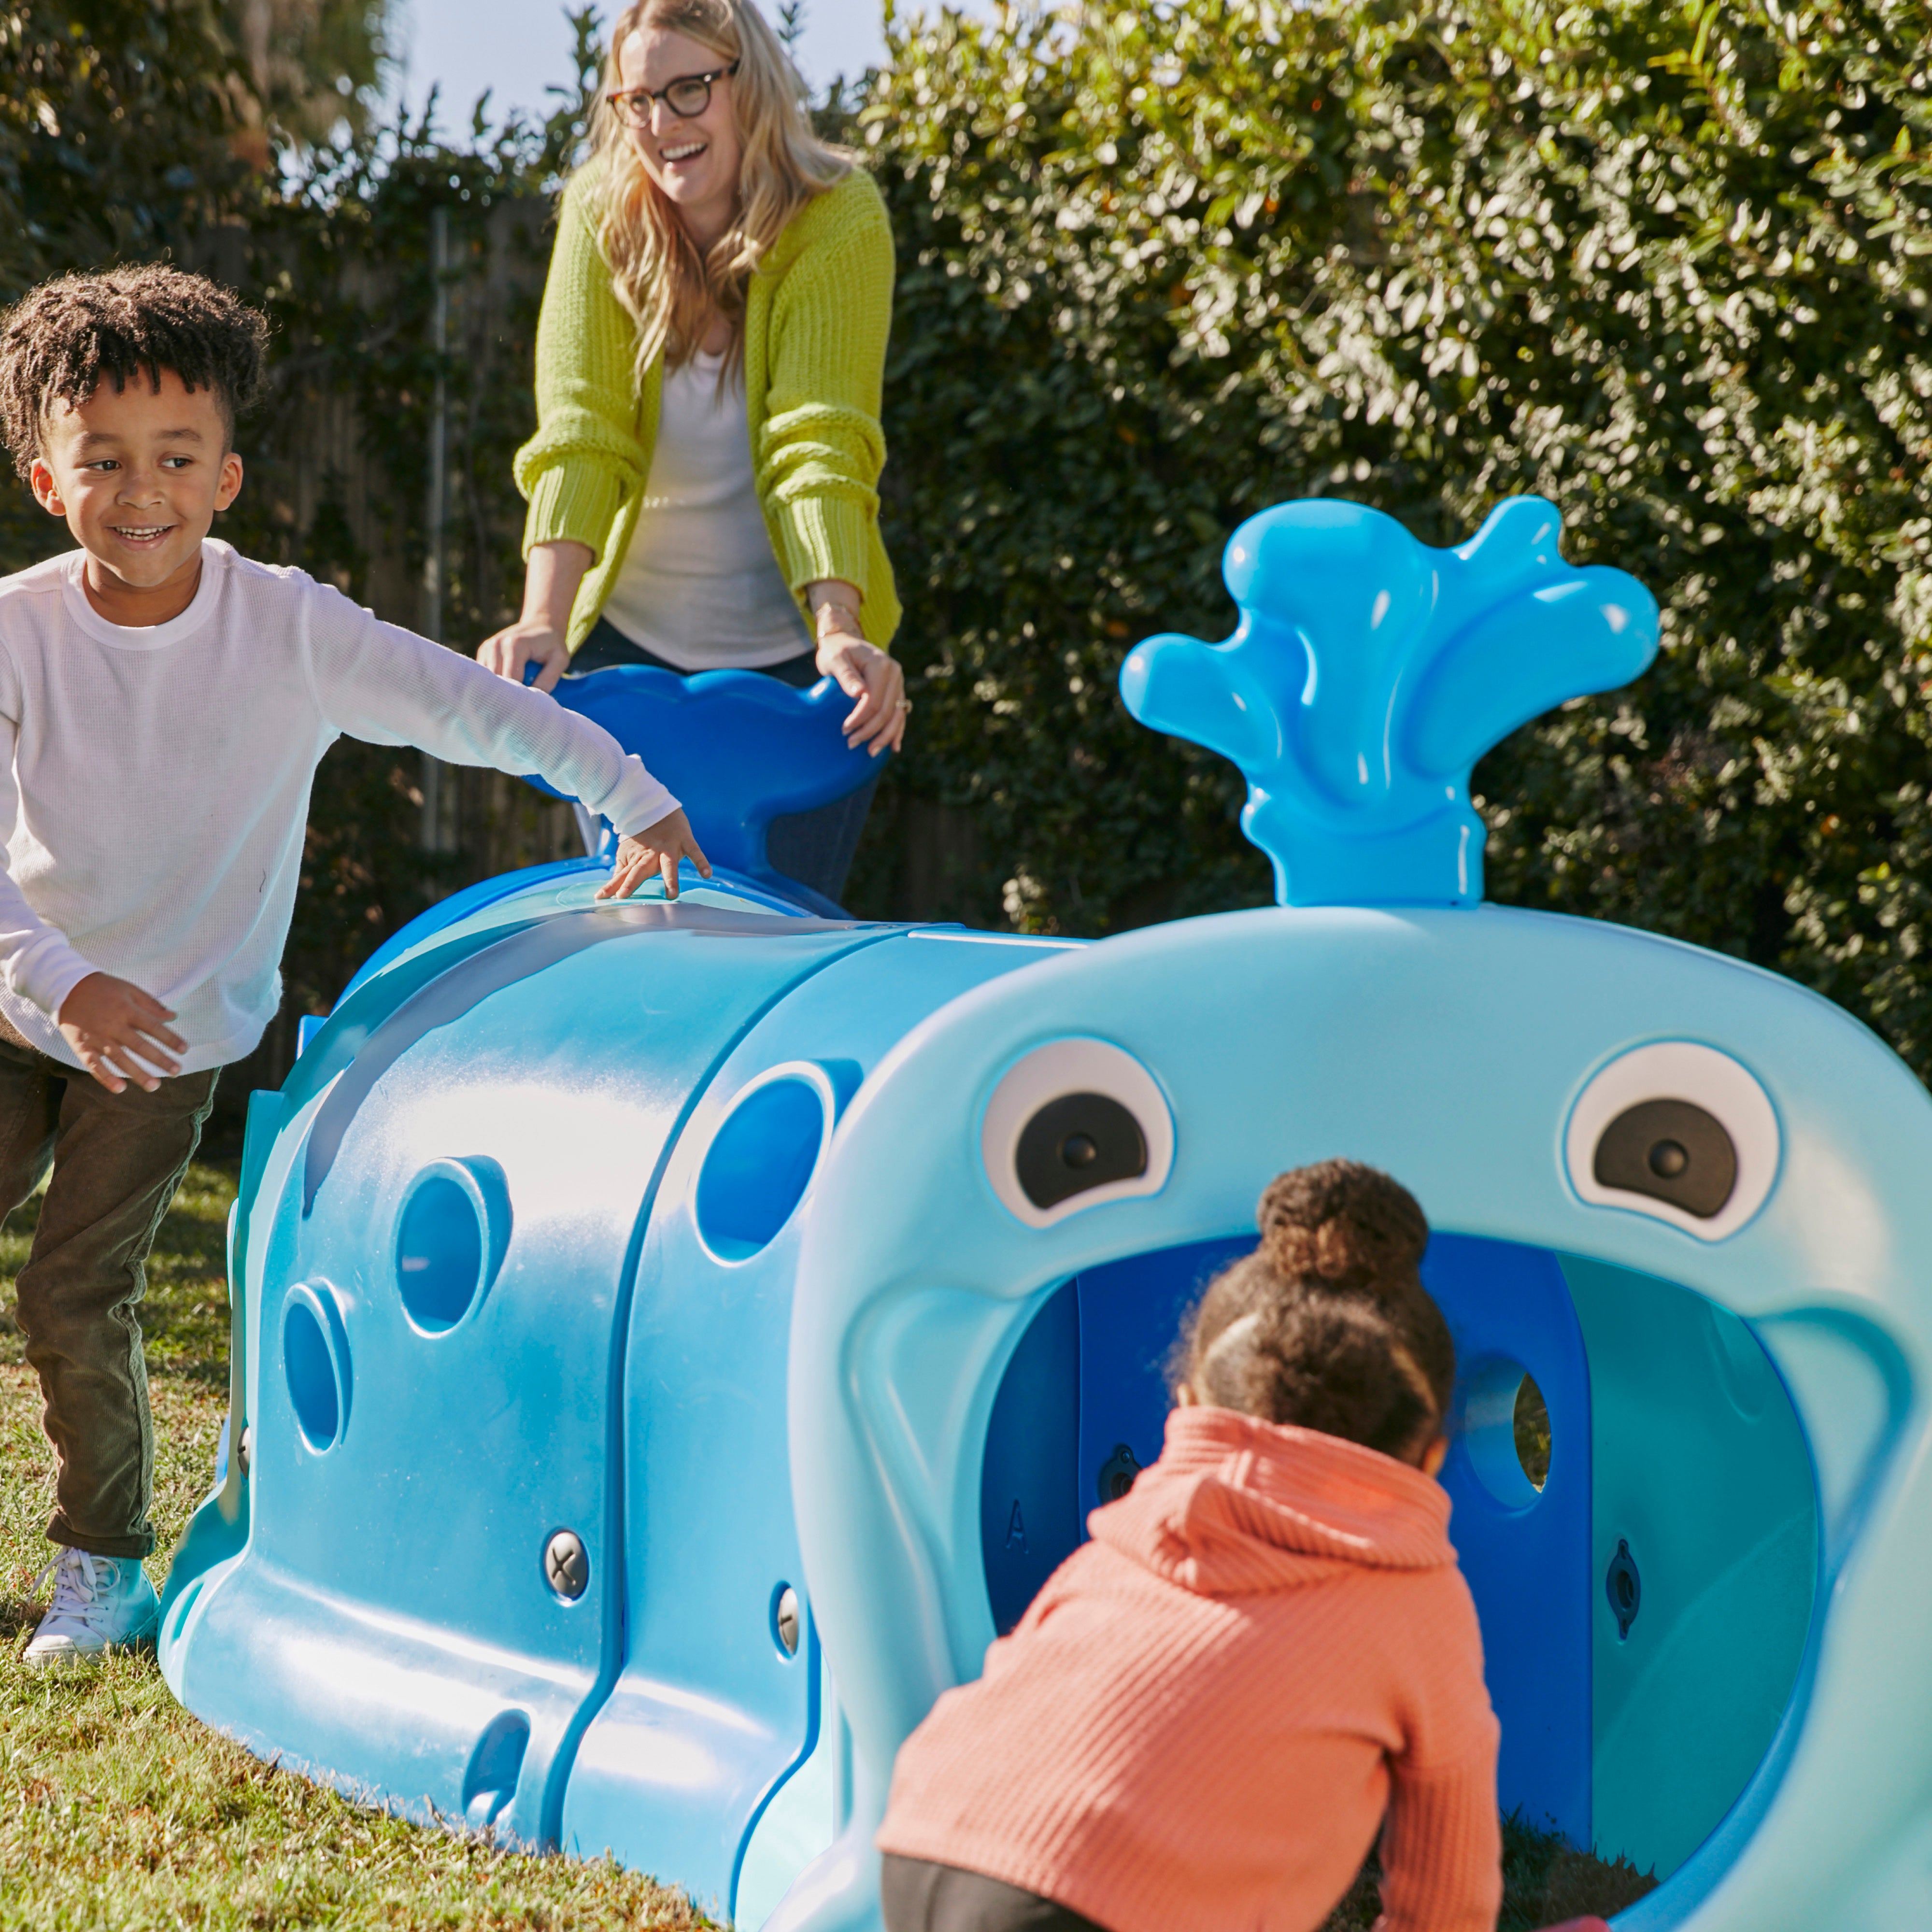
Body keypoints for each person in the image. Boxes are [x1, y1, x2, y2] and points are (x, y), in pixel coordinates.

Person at [0, 264, 708, 1667]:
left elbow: (468, 705)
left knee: (74, 1290)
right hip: (24, 998)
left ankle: (104, 1566)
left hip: (173, 1031)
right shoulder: (18, 630)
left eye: (177, 458)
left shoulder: (288, 629)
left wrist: (630, 791)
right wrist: (59, 977)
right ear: (45, 479)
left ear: (228, 476)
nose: (142, 492)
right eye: (105, 460)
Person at [875, 1160, 1505, 1932]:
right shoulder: (1417, 1595)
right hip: (1092, 1903)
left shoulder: (1131, 1529)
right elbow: (1448, 1903)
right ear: (1434, 1457)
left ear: (1189, 1406)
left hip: (929, 1829)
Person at [476, 0, 907, 906]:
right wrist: (543, 620)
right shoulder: (602, 213)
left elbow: (820, 439)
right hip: (628, 659)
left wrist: (840, 628)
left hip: (796, 668)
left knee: (783, 935)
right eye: (637, 100)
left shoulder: (838, 216)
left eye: (689, 89)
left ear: (750, 84)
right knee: (641, 928)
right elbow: (582, 433)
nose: (662, 124)